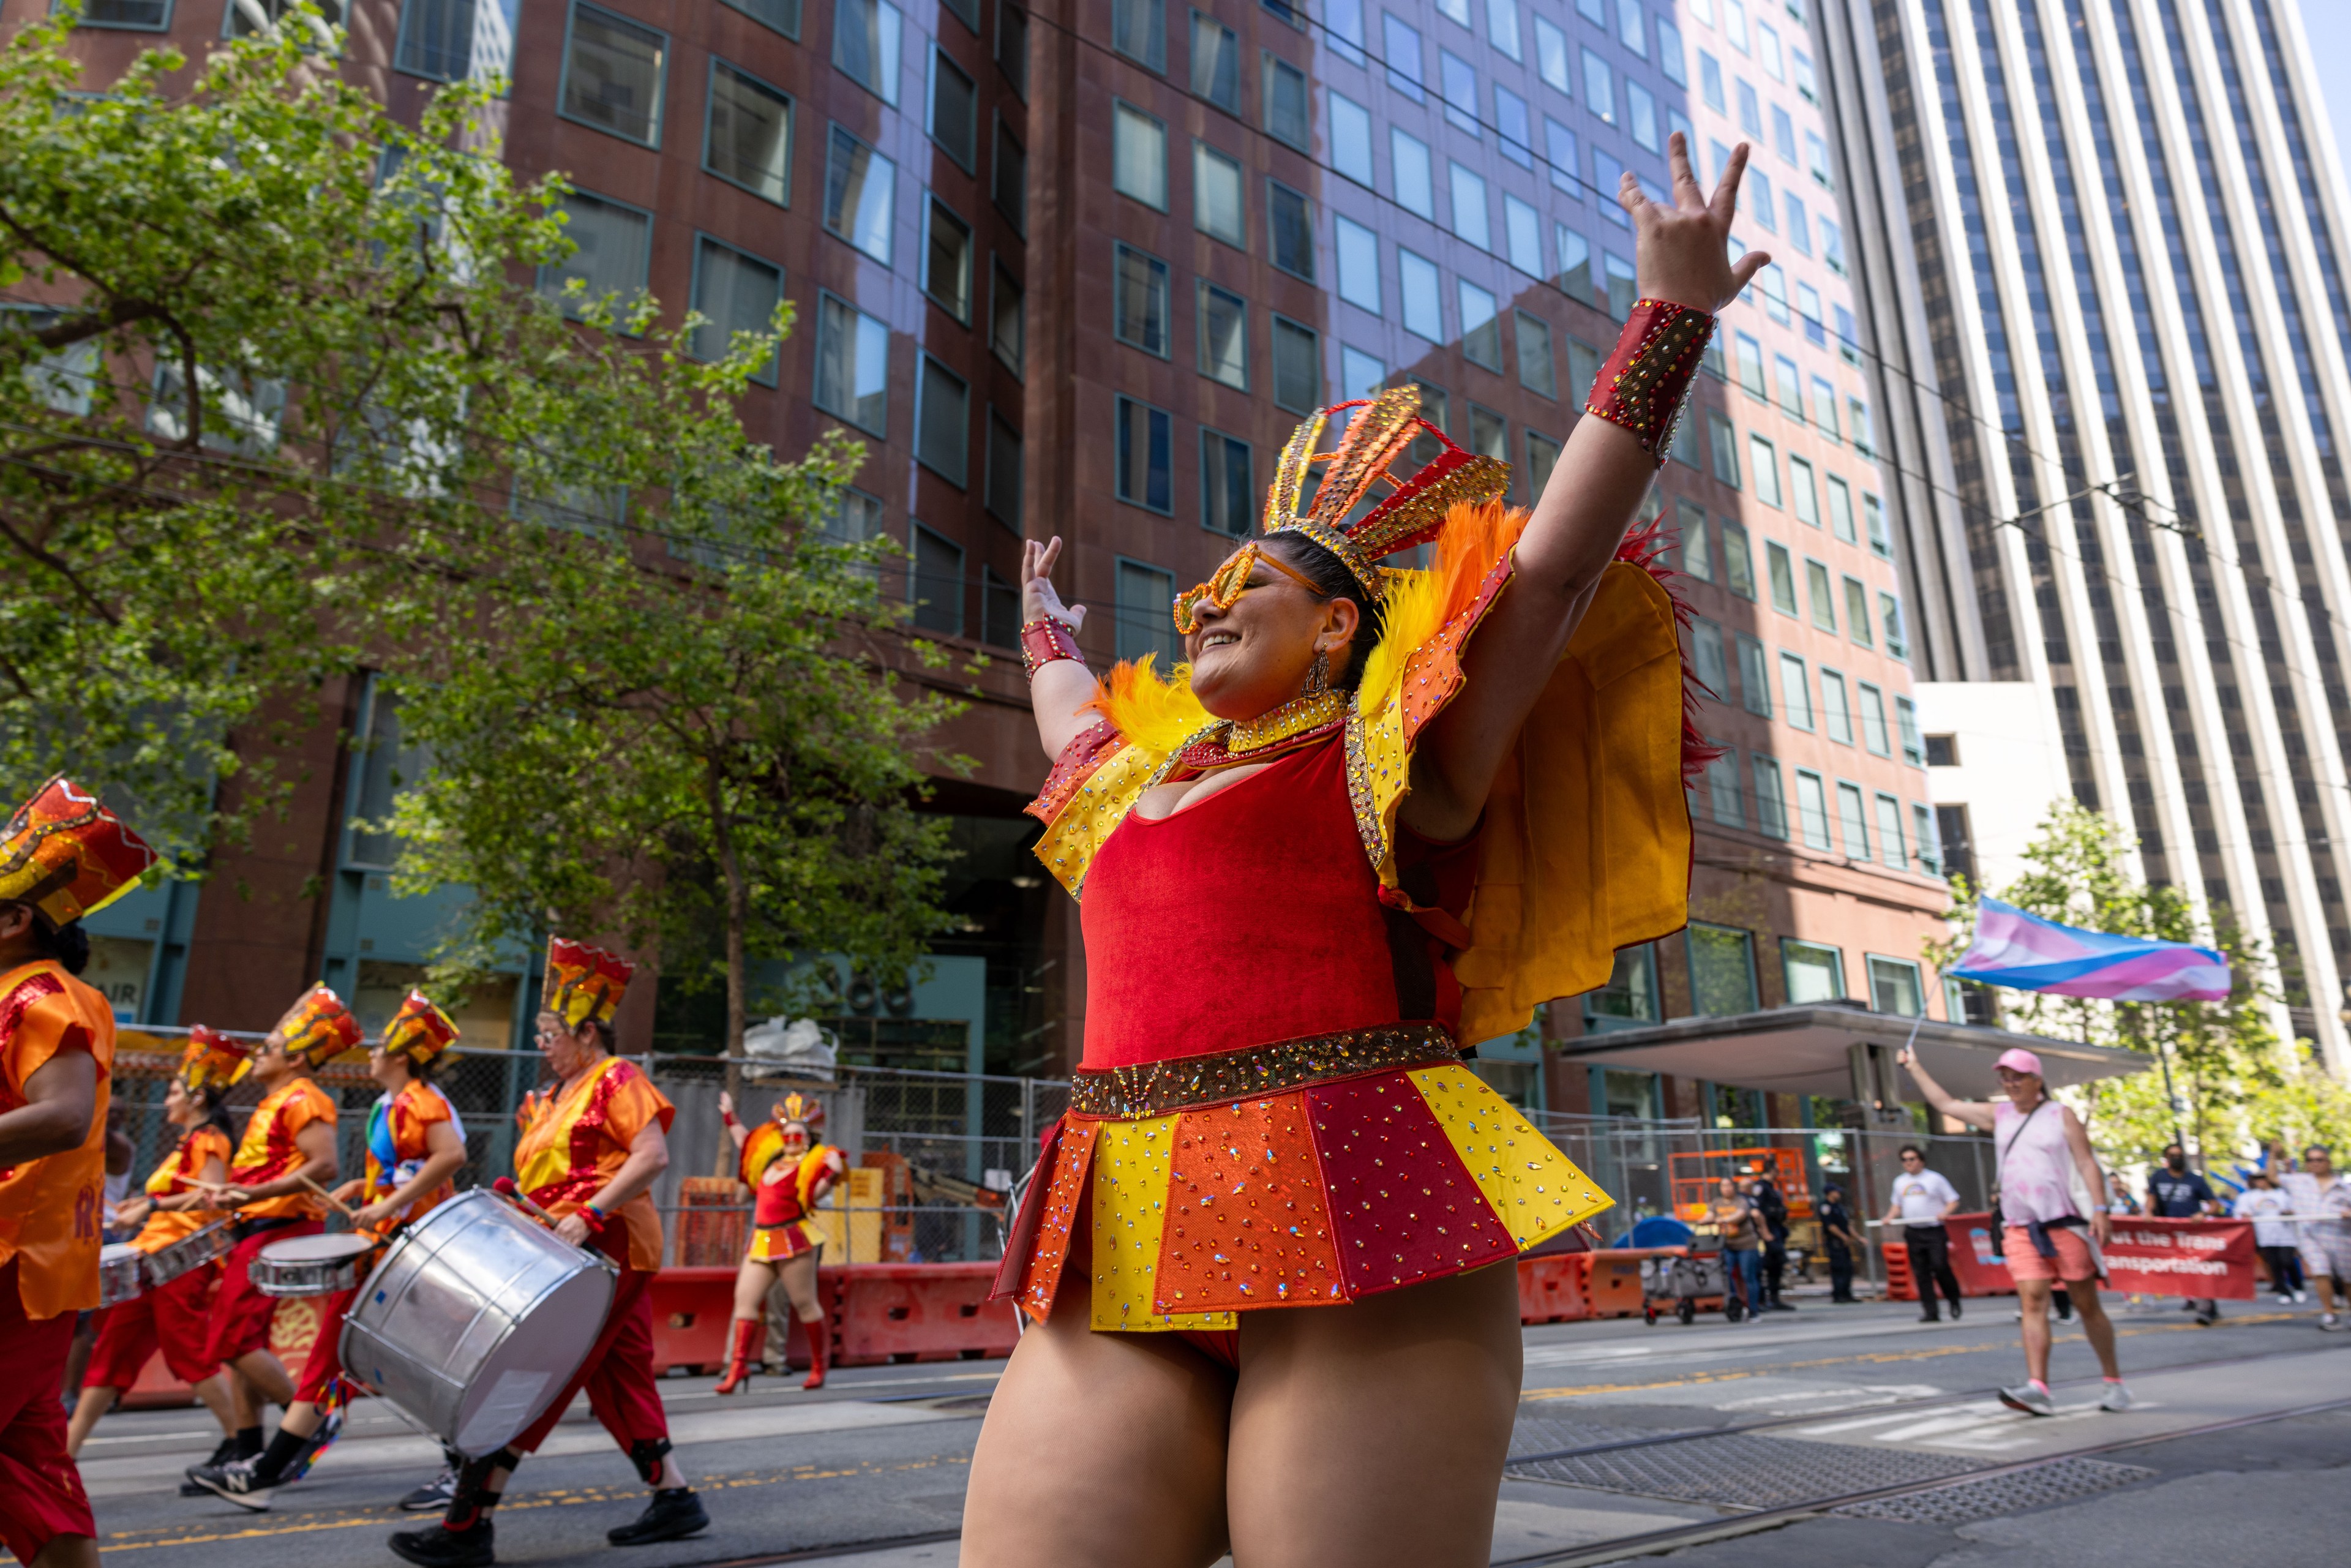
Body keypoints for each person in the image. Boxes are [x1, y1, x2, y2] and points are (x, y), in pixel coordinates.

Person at [961, 133, 1757, 1567]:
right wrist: (1043, 627)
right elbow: (1066, 710)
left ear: (1336, 626)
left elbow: (1554, 568)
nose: (1203, 598)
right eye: (1199, 587)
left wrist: (1669, 317)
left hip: (1360, 1229)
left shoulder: (1394, 757)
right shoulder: (1123, 782)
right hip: (1122, 1238)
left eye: (1243, 584)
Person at [389, 939, 709, 1568]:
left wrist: (590, 1212)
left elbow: (651, 1156)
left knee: (528, 1369)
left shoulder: (617, 1076)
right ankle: (674, 1496)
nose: (542, 1043)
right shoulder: (556, 1095)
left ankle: (468, 1524)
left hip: (606, 1247)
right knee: (621, 1373)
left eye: (550, 1032)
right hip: (565, 1247)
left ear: (588, 1031)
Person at [191, 992, 467, 1509]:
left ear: (402, 1056)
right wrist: (361, 1193)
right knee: (332, 1360)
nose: (371, 1051)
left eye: (381, 1044)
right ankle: (266, 1472)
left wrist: (390, 1204)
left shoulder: (421, 1101)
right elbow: (396, 1175)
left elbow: (450, 1157)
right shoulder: (391, 1105)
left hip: (409, 1249)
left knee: (413, 1364)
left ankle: (467, 1471)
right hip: (383, 1248)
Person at [0, 775, 153, 1568]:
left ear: (18, 918)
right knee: (31, 1471)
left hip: (12, 1269)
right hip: (31, 1271)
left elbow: (60, 1116)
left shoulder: (40, 995)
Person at [1902, 1045, 2131, 1416]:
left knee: (2086, 1305)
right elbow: (1946, 1105)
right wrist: (1914, 1067)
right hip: (2021, 1227)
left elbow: (2087, 1163)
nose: (2009, 1083)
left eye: (2017, 1077)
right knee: (2032, 1303)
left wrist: (2101, 1209)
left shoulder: (2061, 1115)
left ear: (2036, 1080)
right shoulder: (2001, 1115)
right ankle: (2038, 1387)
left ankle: (2114, 1383)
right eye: (2004, 1077)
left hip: (2065, 1223)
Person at [67, 1030, 244, 1464]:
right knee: (111, 1351)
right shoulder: (188, 1143)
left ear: (197, 1098)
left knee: (187, 1351)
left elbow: (214, 1193)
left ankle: (242, 1442)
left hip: (180, 1260)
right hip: (151, 1259)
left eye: (173, 1091)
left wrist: (151, 1204)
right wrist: (144, 1207)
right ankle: (65, 1453)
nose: (166, 1100)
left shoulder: (209, 1140)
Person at [197, 986, 353, 1468]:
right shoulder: (277, 1099)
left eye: (268, 1048)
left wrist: (255, 1196)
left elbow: (325, 1164)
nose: (258, 1054)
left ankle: (307, 1424)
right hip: (257, 1226)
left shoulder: (305, 1097)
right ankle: (248, 1450)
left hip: (279, 1226)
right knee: (244, 1343)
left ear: (297, 1058)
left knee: (232, 1341)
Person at [712, 1090, 847, 1395]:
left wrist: (835, 1173)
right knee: (744, 1303)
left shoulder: (811, 1165)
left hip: (794, 1238)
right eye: (786, 1135)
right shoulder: (768, 1161)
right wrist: (730, 1115)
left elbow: (817, 1193)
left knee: (805, 1304)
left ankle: (817, 1367)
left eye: (798, 1135)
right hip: (761, 1238)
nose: (791, 1140)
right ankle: (737, 1367)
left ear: (808, 1137)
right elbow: (745, 1142)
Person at [1883, 1144, 1963, 1322]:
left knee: (1940, 1267)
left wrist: (1946, 1213)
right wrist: (1889, 1217)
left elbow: (1953, 1200)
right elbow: (1897, 1205)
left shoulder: (1935, 1179)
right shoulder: (1900, 1182)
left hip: (1934, 1231)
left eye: (1912, 1159)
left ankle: (1953, 1299)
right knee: (1921, 1273)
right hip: (1914, 1232)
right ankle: (1931, 1311)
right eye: (1905, 1160)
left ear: (1921, 1161)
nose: (1908, 1163)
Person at [2147, 1142, 2222, 1325]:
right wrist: (2148, 1213)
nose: (2176, 1158)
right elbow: (2151, 1200)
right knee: (2180, 1269)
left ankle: (2205, 1308)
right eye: (2172, 1155)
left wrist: (2203, 1214)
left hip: (2194, 1234)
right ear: (2166, 1158)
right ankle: (2203, 1302)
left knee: (2199, 1268)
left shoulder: (2196, 1180)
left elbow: (2215, 1205)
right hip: (2168, 1234)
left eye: (2179, 1155)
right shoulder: (2158, 1177)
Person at [2278, 1144, 2351, 1330]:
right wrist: (2273, 1155)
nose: (2315, 1163)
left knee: (2347, 1278)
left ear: (2328, 1162)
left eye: (2319, 1159)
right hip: (2310, 1236)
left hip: (2340, 1235)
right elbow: (2272, 1177)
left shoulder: (2344, 1186)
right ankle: (2329, 1314)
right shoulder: (2298, 1181)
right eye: (2310, 1160)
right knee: (2321, 1272)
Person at [2233, 1170, 2303, 1304]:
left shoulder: (2283, 1194)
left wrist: (2289, 1212)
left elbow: (2297, 1209)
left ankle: (2298, 1287)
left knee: (2287, 1261)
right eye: (2256, 1179)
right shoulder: (2248, 1197)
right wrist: (2245, 1215)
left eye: (2262, 1178)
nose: (2259, 1181)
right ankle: (2284, 1292)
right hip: (2265, 1235)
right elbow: (2240, 1213)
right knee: (2274, 1264)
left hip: (2285, 1234)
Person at [1709, 1177, 1765, 1322]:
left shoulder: (1742, 1201)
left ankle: (1753, 1311)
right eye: (1723, 1186)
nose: (1726, 1189)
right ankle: (1736, 1307)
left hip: (1746, 1244)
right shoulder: (1717, 1203)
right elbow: (1708, 1216)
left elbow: (1739, 1215)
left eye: (1729, 1186)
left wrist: (1723, 1220)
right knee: (1728, 1276)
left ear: (1734, 1188)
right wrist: (1702, 1221)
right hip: (1728, 1245)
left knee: (1748, 1276)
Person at [1748, 1167, 1794, 1311]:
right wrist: (1765, 1233)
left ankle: (1774, 1298)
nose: (1778, 1174)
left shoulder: (1771, 1188)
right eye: (1776, 1171)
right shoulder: (1761, 1188)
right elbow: (1759, 1213)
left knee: (1776, 1265)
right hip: (1767, 1233)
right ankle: (1763, 1300)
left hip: (1776, 1230)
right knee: (1764, 1266)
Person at [1818, 1182, 1861, 1304]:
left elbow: (1847, 1225)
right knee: (1839, 1268)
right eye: (1836, 1191)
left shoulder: (1839, 1206)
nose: (1839, 1194)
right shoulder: (1825, 1207)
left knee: (1848, 1268)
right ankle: (1838, 1295)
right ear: (1830, 1193)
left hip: (1844, 1242)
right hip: (1835, 1242)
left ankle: (1847, 1294)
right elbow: (1830, 1226)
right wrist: (1843, 1237)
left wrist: (1858, 1238)